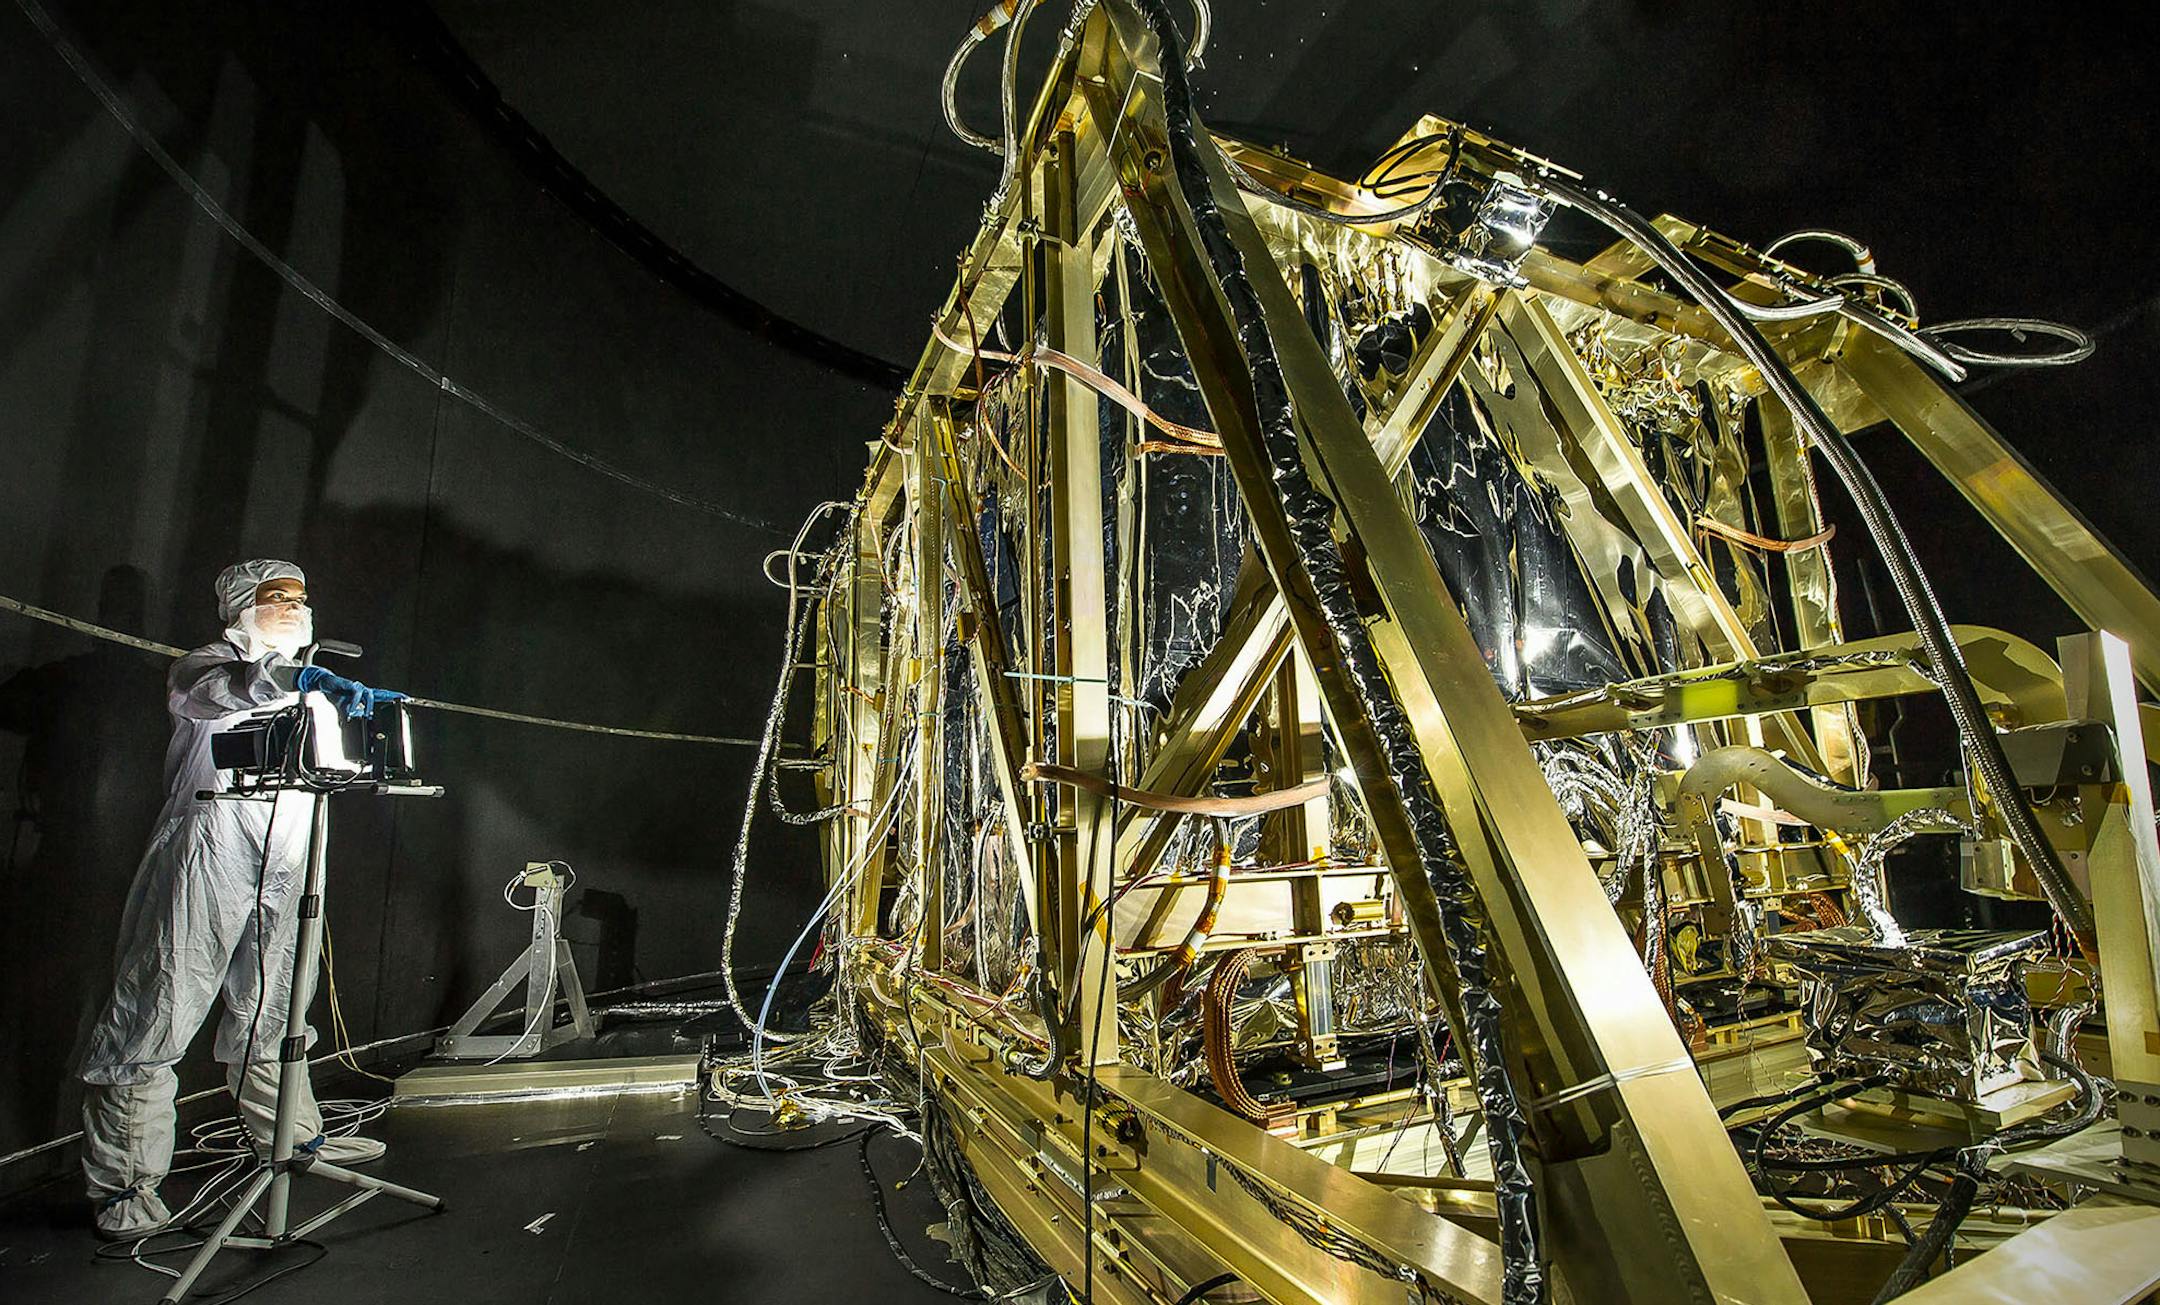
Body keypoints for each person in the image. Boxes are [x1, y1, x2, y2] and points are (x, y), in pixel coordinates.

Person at [77, 559, 403, 1240]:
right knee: (159, 1003)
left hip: (287, 850)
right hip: (209, 844)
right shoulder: (208, 665)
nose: (292, 606)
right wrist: (299, 677)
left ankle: (293, 1136)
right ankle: (128, 1184)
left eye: (300, 597)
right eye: (275, 597)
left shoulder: (315, 682)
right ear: (238, 605)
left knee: (278, 1003)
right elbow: (221, 693)